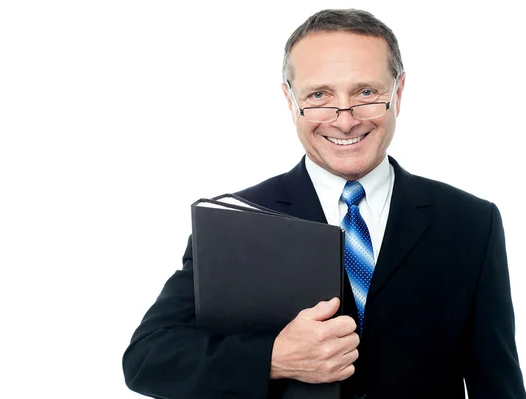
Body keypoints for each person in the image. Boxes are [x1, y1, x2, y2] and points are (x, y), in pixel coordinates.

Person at [122, 8, 525, 399]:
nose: (345, 119)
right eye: (319, 95)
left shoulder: (472, 223)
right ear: (290, 99)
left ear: (398, 93)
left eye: (366, 92)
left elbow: (499, 384)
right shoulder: (237, 221)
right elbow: (147, 359)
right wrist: (274, 359)